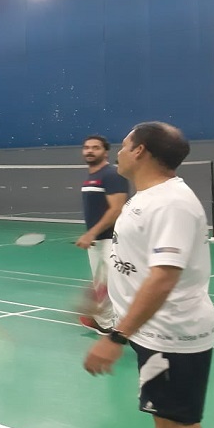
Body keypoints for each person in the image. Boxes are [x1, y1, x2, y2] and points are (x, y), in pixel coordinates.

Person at [83, 122, 214, 428]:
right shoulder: (146, 197)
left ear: (140, 150)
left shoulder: (171, 203)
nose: (120, 152)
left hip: (171, 335)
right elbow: (138, 264)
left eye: (125, 145)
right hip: (154, 333)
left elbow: (164, 278)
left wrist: (115, 337)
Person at [75, 135, 129, 335]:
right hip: (97, 241)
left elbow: (116, 209)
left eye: (95, 147)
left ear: (105, 152)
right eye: (86, 147)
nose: (90, 151)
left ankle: (110, 323)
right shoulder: (91, 176)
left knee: (112, 284)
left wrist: (91, 233)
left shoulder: (111, 175)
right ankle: (103, 320)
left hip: (112, 240)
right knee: (101, 284)